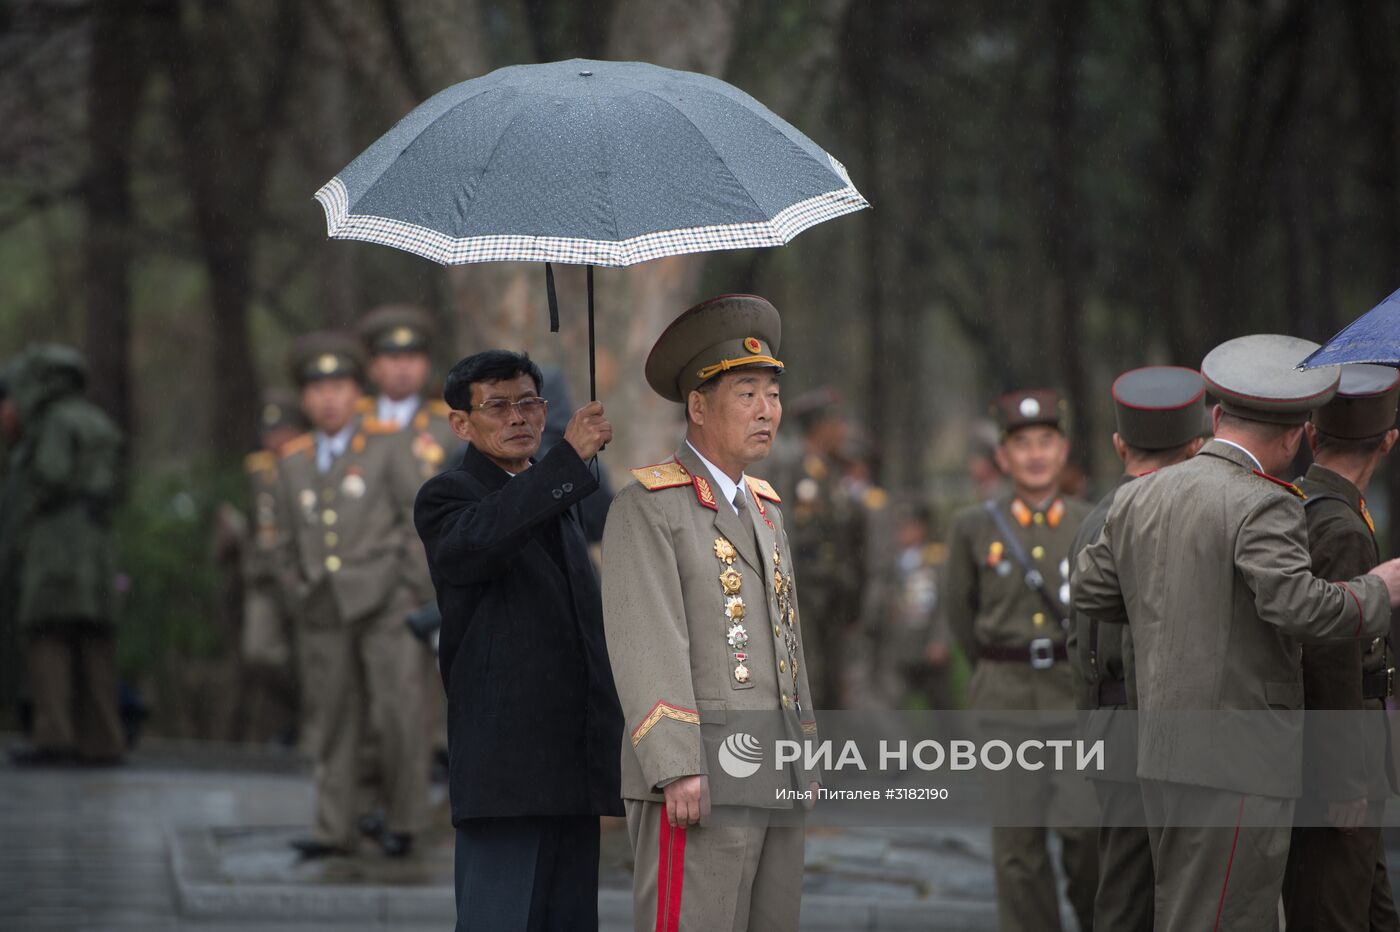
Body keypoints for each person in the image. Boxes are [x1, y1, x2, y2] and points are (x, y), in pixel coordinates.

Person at [1074, 334, 1400, 931]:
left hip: (1161, 751)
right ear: (1298, 434)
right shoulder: (1265, 504)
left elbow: (1092, 592)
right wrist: (1379, 590)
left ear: (1218, 415)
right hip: (1238, 762)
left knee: (1185, 910)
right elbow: (1299, 608)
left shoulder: (1140, 496)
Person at [602, 294, 819, 932]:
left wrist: (805, 752)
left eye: (772, 393)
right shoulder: (650, 506)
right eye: (746, 392)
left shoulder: (766, 507)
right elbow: (646, 642)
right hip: (699, 779)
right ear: (698, 406)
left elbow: (787, 644)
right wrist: (677, 766)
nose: (766, 411)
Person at [413, 350, 623, 932]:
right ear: (461, 423)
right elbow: (481, 543)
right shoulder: (448, 495)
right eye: (498, 405)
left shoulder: (559, 495)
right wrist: (566, 461)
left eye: (529, 402)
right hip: (505, 767)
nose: (518, 418)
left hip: (571, 760)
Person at [941, 388, 1097, 932]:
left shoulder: (1091, 522)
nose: (1035, 453)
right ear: (1002, 457)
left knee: (1086, 836)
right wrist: (995, 665)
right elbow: (960, 614)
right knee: (1017, 848)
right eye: (1022, 443)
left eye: (1046, 442)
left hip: (1073, 702)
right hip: (1005, 705)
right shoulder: (972, 527)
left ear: (1064, 450)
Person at [274, 332, 432, 859]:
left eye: (339, 386)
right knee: (333, 722)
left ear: (355, 392)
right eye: (316, 388)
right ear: (303, 398)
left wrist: (412, 591)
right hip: (324, 607)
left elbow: (418, 520)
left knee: (397, 718)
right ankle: (333, 829)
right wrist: (296, 589)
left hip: (387, 603)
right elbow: (281, 540)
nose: (328, 398)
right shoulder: (292, 461)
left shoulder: (387, 444)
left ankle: (404, 824)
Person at [1066, 365, 1207, 932]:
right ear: (1197, 446)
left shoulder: (1095, 518)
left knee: (1125, 886)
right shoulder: (1189, 516)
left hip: (1112, 725)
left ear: (1119, 444)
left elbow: (1079, 641)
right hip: (1167, 723)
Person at [1281, 363, 1400, 930]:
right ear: (1389, 440)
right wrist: (1344, 776)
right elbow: (1331, 651)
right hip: (1339, 755)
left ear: (1310, 433)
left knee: (1370, 906)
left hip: (1318, 744)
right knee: (1333, 907)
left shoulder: (1300, 501)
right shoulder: (1341, 526)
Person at [2, 345, 125, 767]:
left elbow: (52, 475)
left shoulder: (53, 423)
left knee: (48, 638)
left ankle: (54, 735)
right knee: (95, 644)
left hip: (56, 542)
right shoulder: (96, 420)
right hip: (95, 542)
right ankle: (103, 739)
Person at [776, 390, 863, 708]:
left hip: (835, 594)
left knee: (835, 681)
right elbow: (789, 533)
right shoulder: (794, 469)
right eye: (836, 423)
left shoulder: (832, 473)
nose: (842, 431)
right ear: (820, 427)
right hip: (807, 592)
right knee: (811, 677)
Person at [236, 391, 307, 744]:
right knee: (260, 651)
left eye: (284, 430)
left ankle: (310, 723)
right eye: (270, 431)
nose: (275, 438)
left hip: (303, 573)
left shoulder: (312, 464)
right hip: (264, 577)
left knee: (315, 655)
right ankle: (301, 709)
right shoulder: (258, 470)